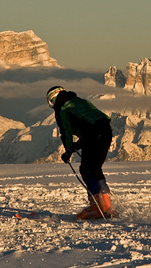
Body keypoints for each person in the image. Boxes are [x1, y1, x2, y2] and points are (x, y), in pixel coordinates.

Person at [47, 86, 115, 219]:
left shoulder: (63, 108)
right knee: (95, 168)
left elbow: (65, 130)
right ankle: (106, 205)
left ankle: (97, 206)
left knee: (86, 169)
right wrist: (74, 148)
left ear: (54, 99)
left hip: (93, 135)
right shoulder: (78, 100)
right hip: (105, 131)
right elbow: (91, 126)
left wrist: (68, 149)